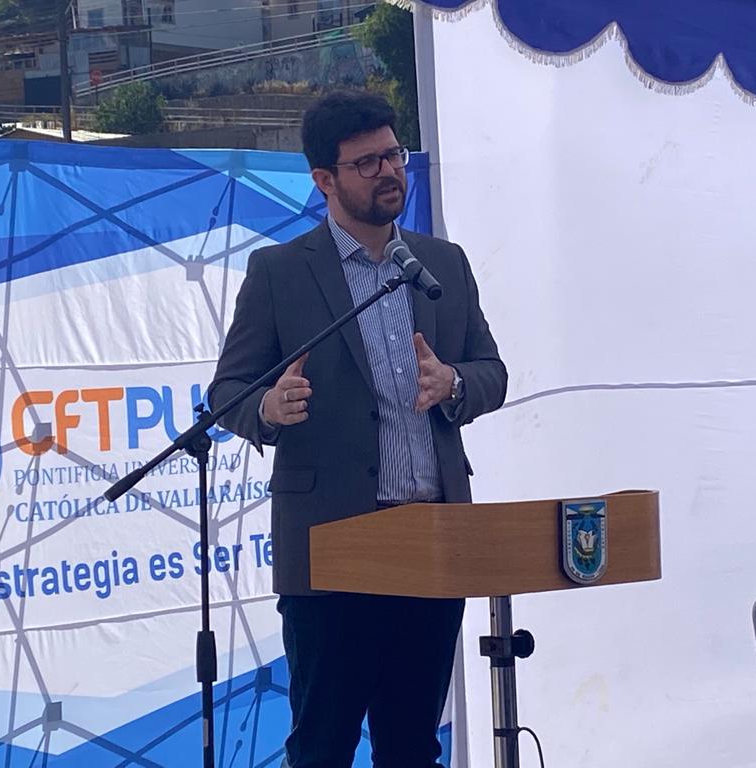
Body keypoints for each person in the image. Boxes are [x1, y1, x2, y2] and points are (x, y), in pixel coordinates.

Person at [207, 90, 507, 768]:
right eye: (366, 162)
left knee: (412, 747)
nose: (388, 172)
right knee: (324, 747)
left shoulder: (443, 265)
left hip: (432, 540)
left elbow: (492, 371)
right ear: (324, 179)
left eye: (393, 155)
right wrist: (268, 408)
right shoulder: (281, 273)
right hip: (332, 547)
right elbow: (228, 392)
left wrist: (453, 383)